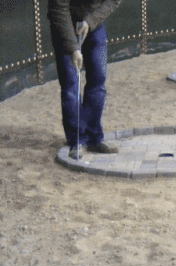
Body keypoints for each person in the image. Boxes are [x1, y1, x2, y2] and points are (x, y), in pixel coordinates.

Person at [48, 0, 122, 158]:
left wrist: (91, 21)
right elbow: (58, 8)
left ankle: (94, 138)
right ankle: (77, 141)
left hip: (94, 24)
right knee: (71, 86)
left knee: (98, 79)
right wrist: (73, 48)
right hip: (66, 25)